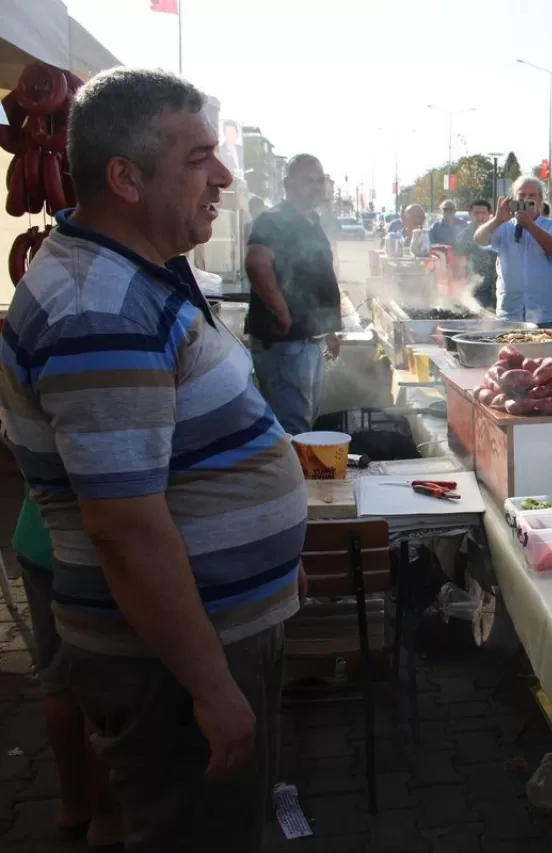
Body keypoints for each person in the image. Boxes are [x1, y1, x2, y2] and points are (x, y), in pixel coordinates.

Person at [0, 67, 307, 849]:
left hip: (210, 634)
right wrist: (210, 684)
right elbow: (125, 527)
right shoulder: (97, 306)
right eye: (199, 157)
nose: (224, 176)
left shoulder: (138, 271)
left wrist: (273, 565)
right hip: (171, 661)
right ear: (126, 178)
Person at [11, 491, 121, 846]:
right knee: (103, 688)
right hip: (92, 549)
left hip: (39, 538)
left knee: (60, 681)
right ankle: (107, 819)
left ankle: (75, 806)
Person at [245, 153, 342, 435]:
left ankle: (303, 464)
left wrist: (329, 331)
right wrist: (282, 312)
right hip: (285, 344)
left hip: (309, 340)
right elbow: (256, 263)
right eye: (309, 181)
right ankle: (295, 467)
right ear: (288, 184)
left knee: (305, 422)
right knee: (293, 429)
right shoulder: (274, 219)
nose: (317, 187)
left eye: (320, 180)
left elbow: (318, 278)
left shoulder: (312, 221)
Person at [473, 175, 552, 328]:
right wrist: (497, 220)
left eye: (532, 196)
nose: (526, 200)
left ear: (540, 200)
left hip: (547, 315)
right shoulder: (504, 225)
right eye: (521, 195)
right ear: (513, 199)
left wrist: (529, 224)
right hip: (510, 313)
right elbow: (479, 239)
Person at [457, 198, 497, 310]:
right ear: (470, 215)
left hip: (498, 288)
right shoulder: (464, 236)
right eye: (476, 213)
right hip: (477, 291)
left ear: (489, 214)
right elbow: (459, 263)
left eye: (483, 213)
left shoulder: (498, 232)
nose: (480, 216)